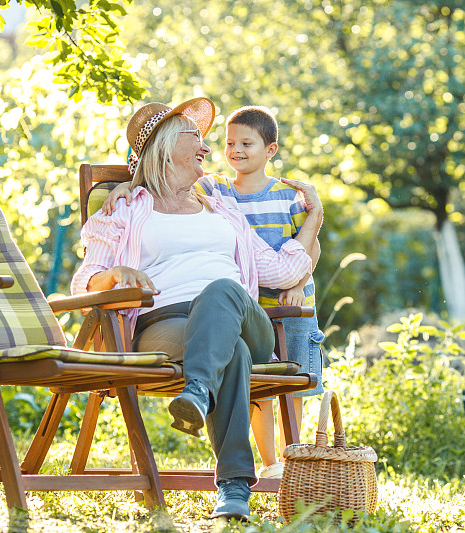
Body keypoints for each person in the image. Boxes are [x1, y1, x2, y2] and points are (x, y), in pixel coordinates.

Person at [71, 97, 323, 520]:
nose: (207, 148)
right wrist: (115, 274)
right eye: (196, 137)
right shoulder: (123, 211)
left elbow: (280, 271)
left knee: (222, 291)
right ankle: (234, 489)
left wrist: (313, 219)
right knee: (233, 355)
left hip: (245, 319)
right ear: (167, 147)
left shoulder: (224, 209)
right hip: (166, 325)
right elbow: (84, 284)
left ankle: (198, 389)